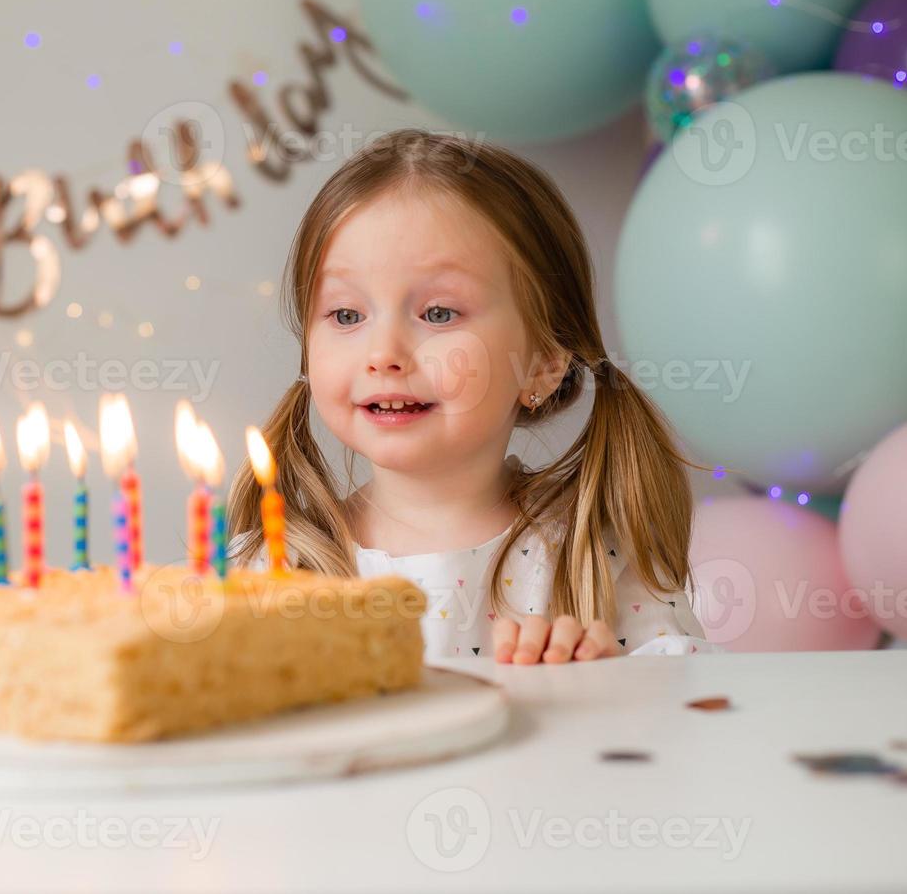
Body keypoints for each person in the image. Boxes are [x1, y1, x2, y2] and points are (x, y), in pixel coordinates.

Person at [226, 129, 716, 671]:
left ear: (545, 361)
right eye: (347, 315)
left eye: (438, 314)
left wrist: (604, 683)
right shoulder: (271, 573)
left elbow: (684, 713)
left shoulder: (595, 562)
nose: (383, 353)